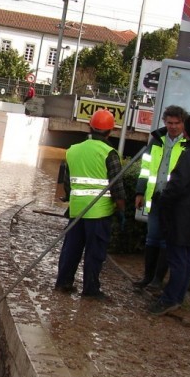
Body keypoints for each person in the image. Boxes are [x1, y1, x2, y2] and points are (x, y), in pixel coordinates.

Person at [149, 114, 190, 315]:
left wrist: (164, 200)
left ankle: (170, 299)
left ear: (186, 132)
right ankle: (177, 295)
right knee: (186, 257)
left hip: (179, 213)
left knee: (177, 257)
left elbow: (177, 183)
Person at [55, 109, 126, 299]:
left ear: (90, 127)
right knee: (95, 253)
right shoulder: (110, 153)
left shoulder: (73, 150)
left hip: (77, 210)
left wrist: (71, 199)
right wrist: (121, 210)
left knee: (71, 249)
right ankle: (91, 290)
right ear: (110, 131)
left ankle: (63, 283)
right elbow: (117, 187)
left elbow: (68, 185)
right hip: (100, 213)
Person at [133, 105, 188, 290]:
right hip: (155, 198)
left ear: (183, 123)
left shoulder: (188, 144)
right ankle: (147, 277)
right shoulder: (156, 141)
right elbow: (145, 168)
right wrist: (140, 192)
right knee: (152, 238)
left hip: (173, 202)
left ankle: (158, 279)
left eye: (177, 123)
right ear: (165, 122)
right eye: (169, 123)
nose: (173, 127)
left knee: (166, 240)